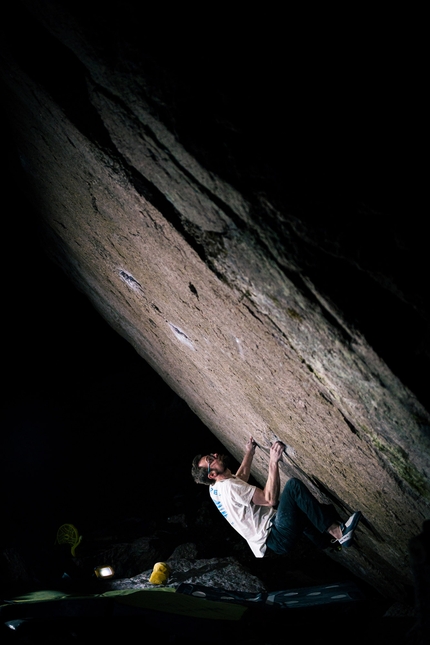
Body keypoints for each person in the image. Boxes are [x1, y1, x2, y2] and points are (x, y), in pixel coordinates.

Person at [191, 437, 361, 558]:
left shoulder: (214, 489)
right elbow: (269, 499)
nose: (214, 455)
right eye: (210, 459)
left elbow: (240, 478)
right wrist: (273, 461)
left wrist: (249, 452)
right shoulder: (228, 487)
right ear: (212, 474)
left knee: (299, 510)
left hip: (273, 543)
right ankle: (338, 533)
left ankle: (327, 543)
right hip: (275, 535)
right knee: (293, 488)